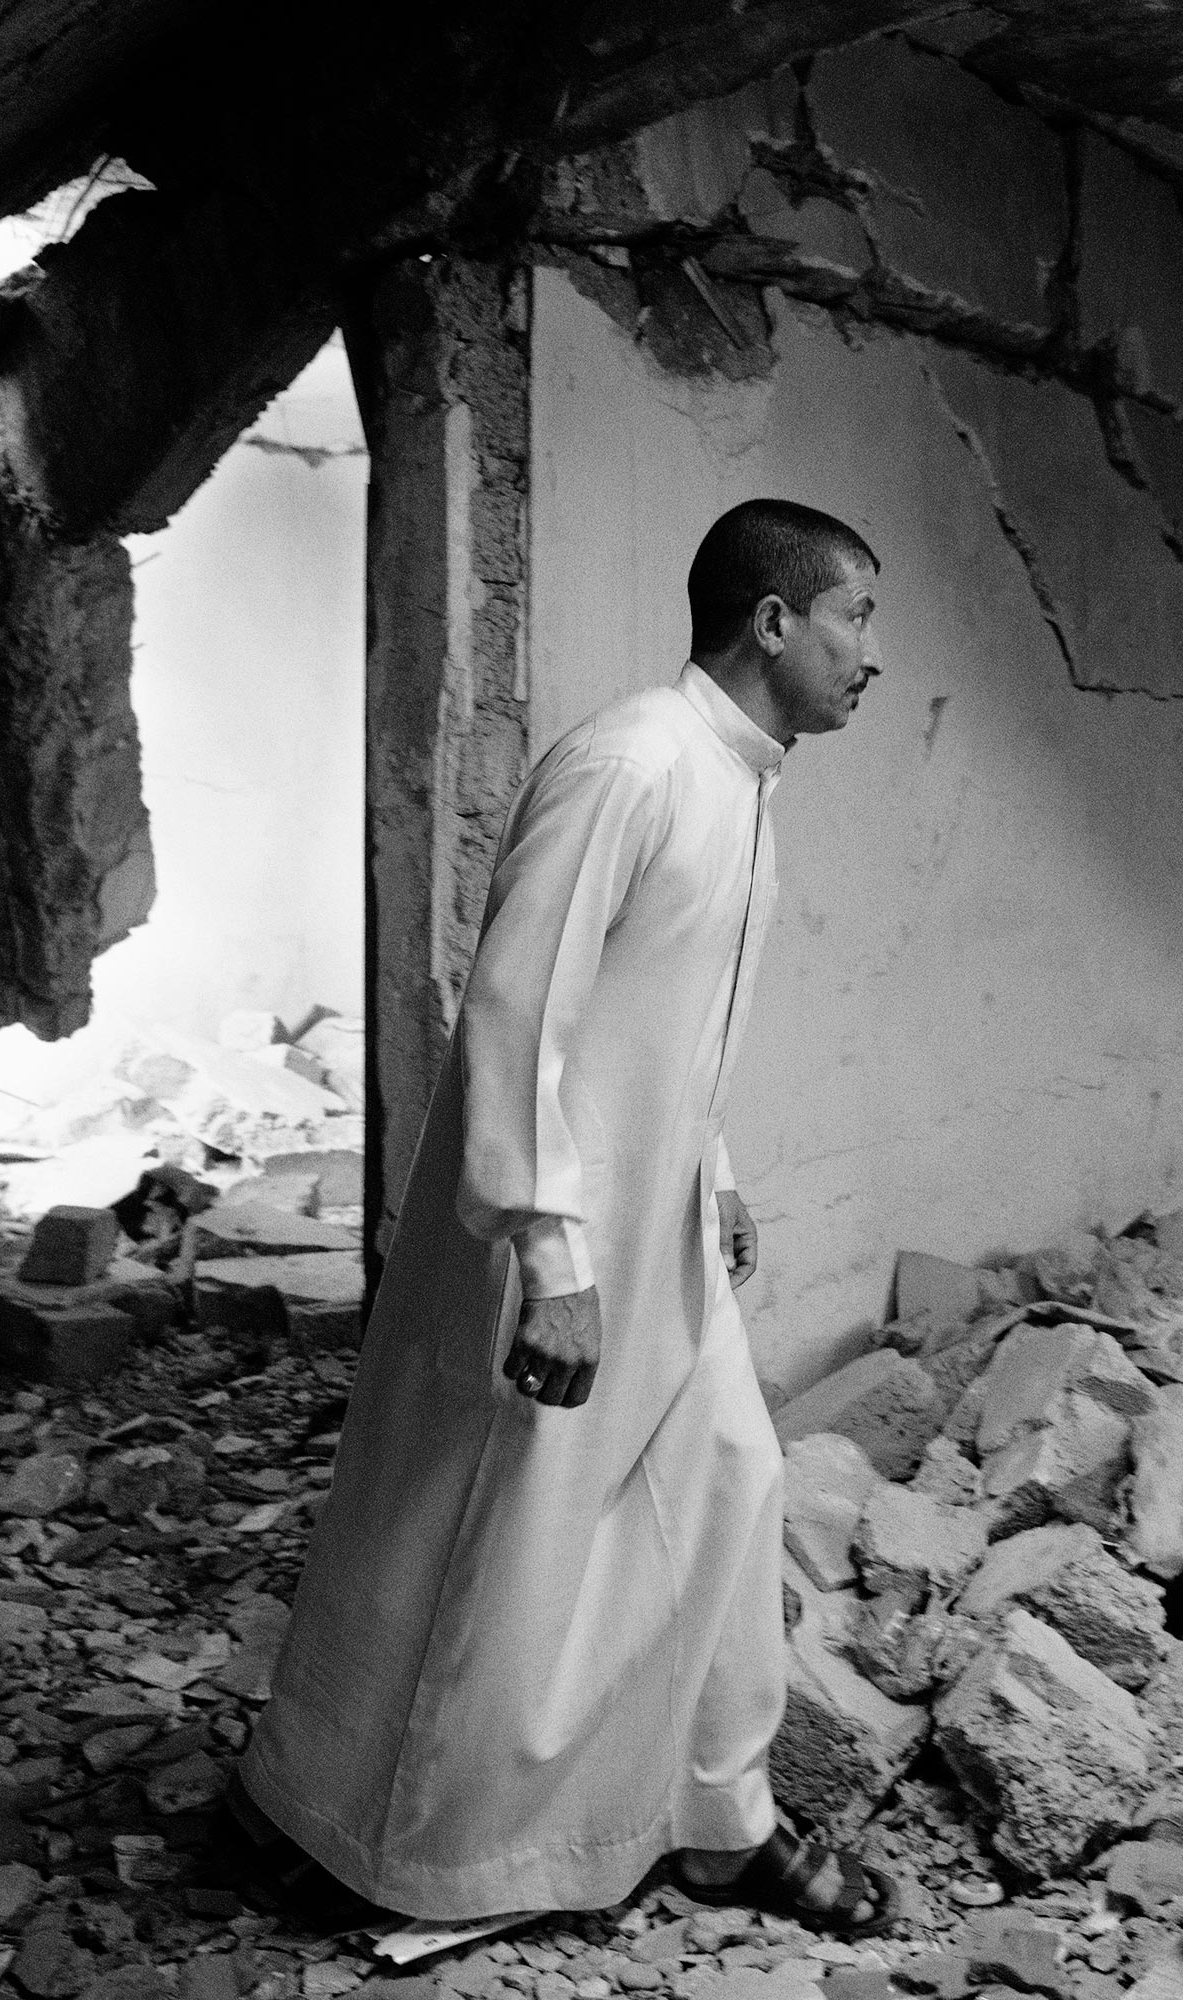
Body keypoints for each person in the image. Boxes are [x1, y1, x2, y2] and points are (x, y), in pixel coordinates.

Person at [234, 498, 892, 1934]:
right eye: (857, 618)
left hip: (654, 1233)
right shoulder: (627, 763)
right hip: (558, 1247)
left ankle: (724, 1818)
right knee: (493, 1541)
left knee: (729, 1480)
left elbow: (665, 1025)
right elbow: (521, 1011)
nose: (870, 656)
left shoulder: (742, 786)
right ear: (775, 621)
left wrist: (712, 1178)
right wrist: (554, 1254)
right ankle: (393, 1839)